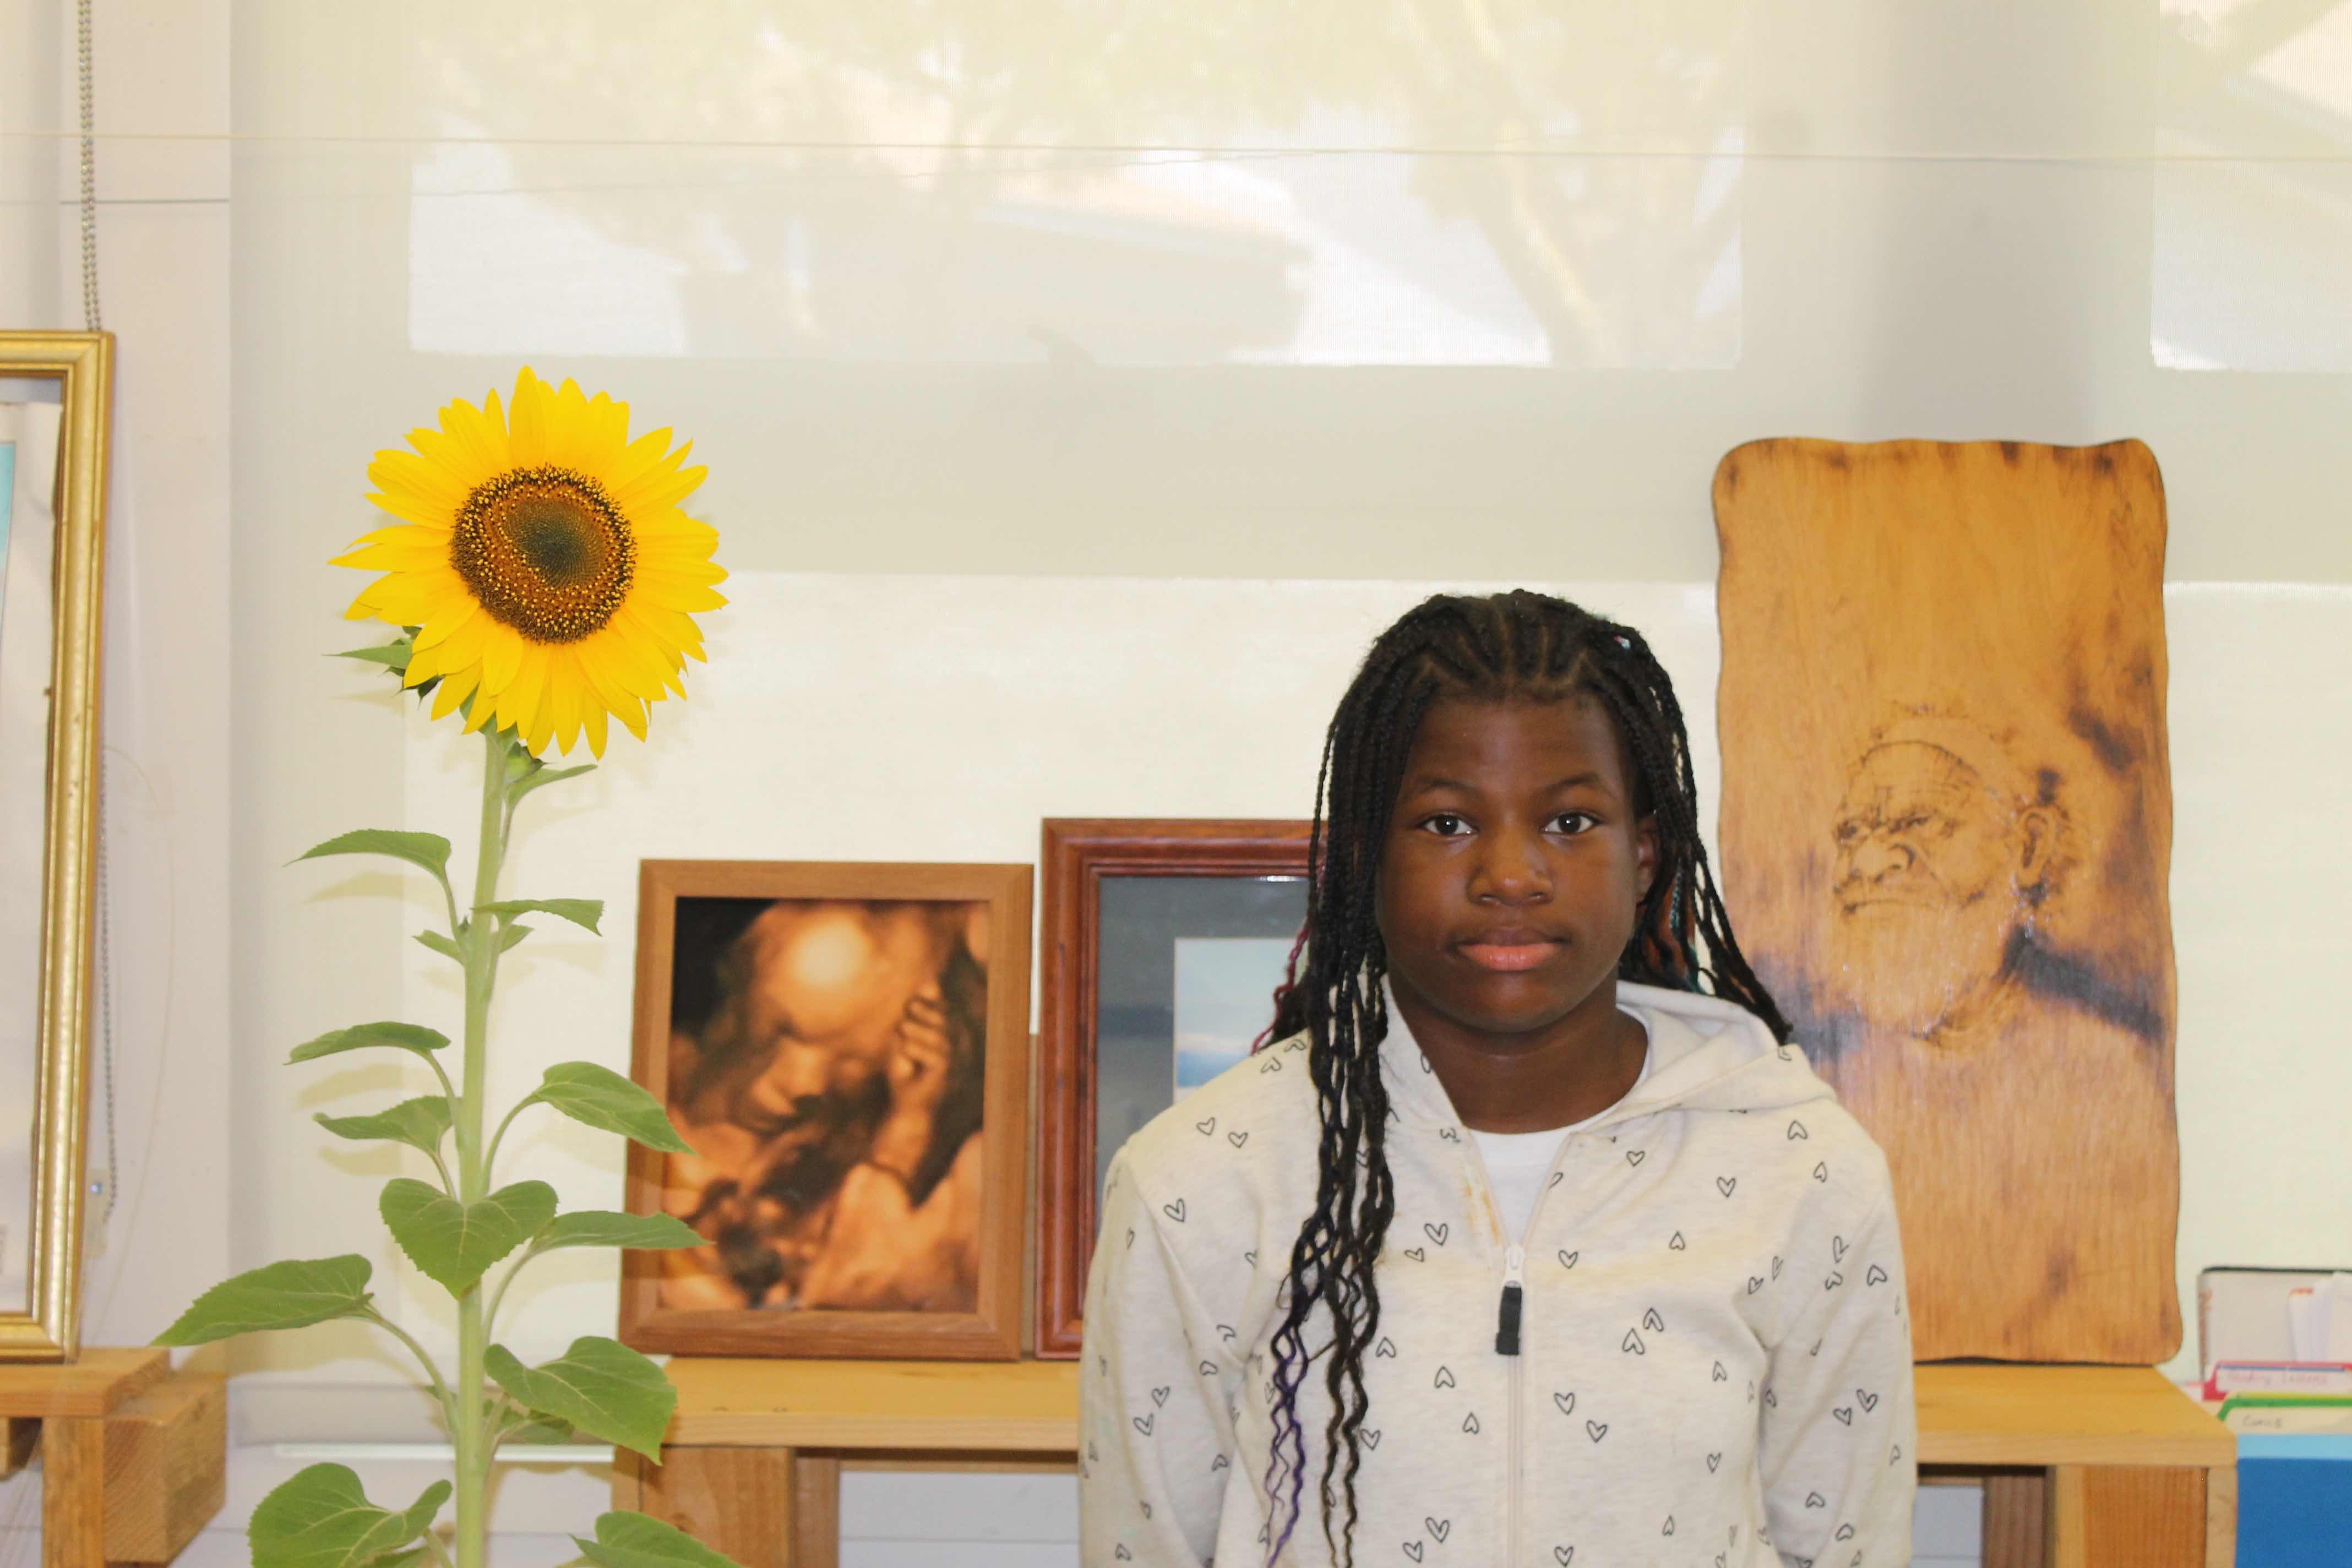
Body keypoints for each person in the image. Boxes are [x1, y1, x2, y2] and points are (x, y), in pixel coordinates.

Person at [1080, 591, 1917, 1567]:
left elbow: (1848, 1543)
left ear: (1643, 855)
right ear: (1367, 856)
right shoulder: (1199, 1182)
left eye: (1570, 820)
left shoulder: (1802, 1171)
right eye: (1445, 822)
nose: (1511, 874)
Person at [660, 899, 989, 1311]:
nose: (806, 1085)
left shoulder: (836, 1144)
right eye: (784, 1030)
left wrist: (911, 1121)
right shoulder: (642, 1096)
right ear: (736, 981)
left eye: (853, 1064)